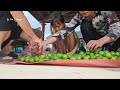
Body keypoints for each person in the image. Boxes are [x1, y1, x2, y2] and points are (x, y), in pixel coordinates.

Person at [43, 11, 120, 52]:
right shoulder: (80, 16)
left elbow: (117, 29)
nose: (83, 11)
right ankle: (94, 51)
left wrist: (101, 41)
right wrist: (45, 42)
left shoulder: (106, 12)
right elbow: (66, 30)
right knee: (85, 25)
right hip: (95, 42)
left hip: (111, 41)